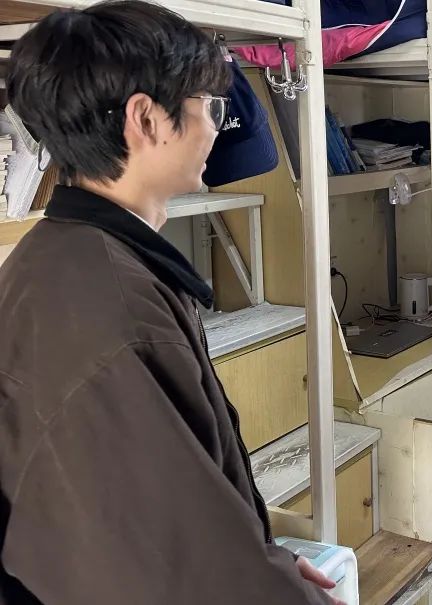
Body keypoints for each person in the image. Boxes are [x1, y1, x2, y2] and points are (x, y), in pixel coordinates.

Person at [0, 3, 341, 603]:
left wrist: (271, 561)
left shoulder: (60, 257)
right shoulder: (113, 306)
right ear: (146, 119)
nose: (215, 127)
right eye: (209, 106)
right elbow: (180, 566)